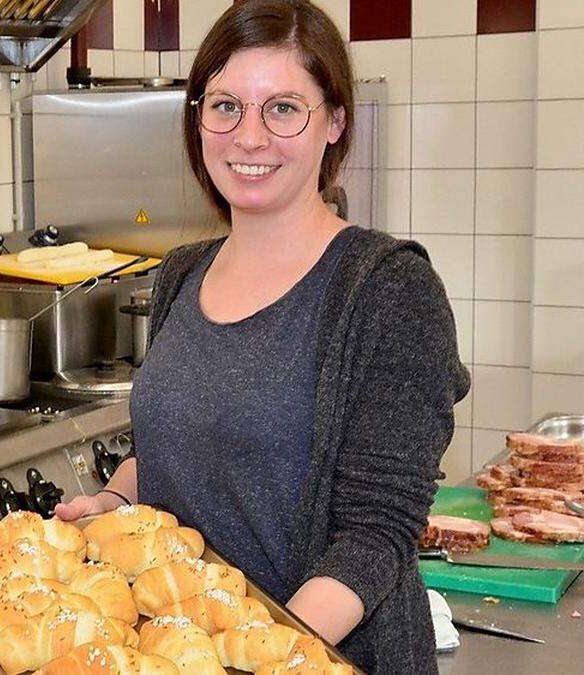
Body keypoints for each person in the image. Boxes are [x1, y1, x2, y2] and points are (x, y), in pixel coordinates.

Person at [55, 1, 469, 672]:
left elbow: (375, 536)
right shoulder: (181, 274)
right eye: (225, 106)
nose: (249, 137)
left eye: (282, 108)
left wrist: (257, 657)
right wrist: (115, 501)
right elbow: (178, 457)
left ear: (334, 122)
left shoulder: (388, 291)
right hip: (179, 651)